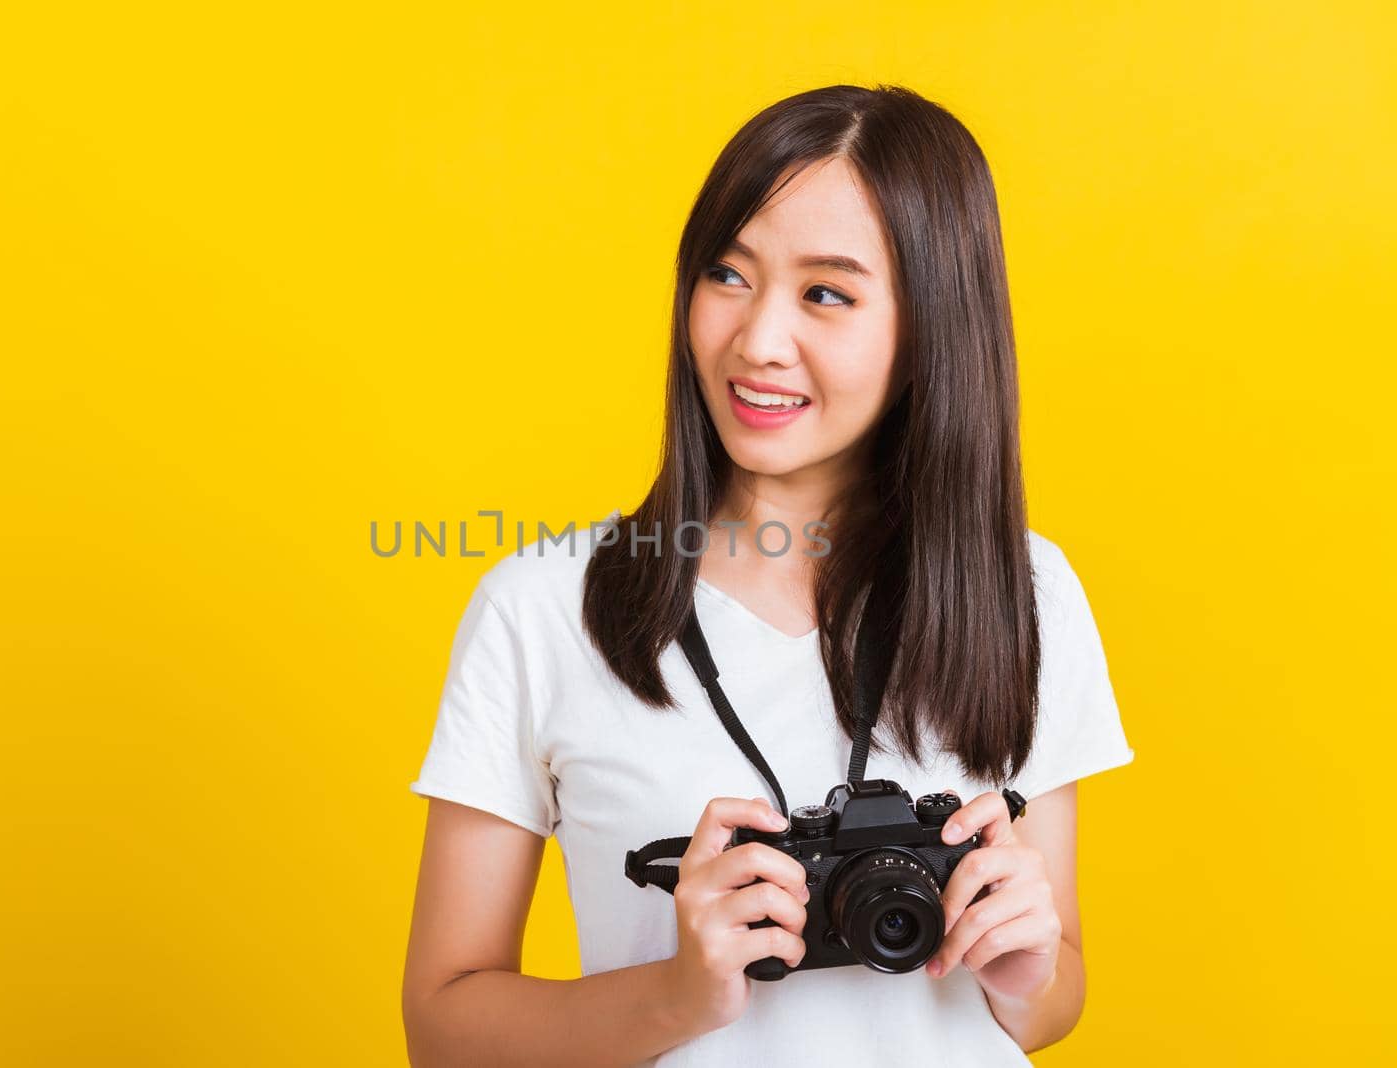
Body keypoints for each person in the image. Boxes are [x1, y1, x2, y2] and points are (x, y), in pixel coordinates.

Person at [401, 84, 1134, 1067]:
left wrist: (1026, 968)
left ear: (929, 326)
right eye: (726, 274)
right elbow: (442, 1030)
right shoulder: (541, 608)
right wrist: (672, 996)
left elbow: (1051, 999)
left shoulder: (1022, 595)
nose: (755, 342)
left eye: (825, 292)